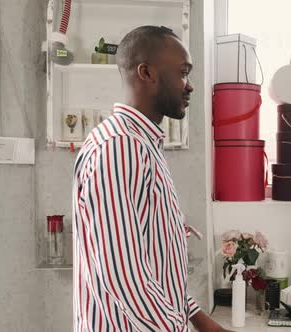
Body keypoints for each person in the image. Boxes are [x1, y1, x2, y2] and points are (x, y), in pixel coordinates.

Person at [72, 26, 232, 332]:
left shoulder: (142, 146)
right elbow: (123, 277)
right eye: (183, 73)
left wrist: (200, 321)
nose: (190, 86)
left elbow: (155, 270)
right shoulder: (119, 147)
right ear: (146, 73)